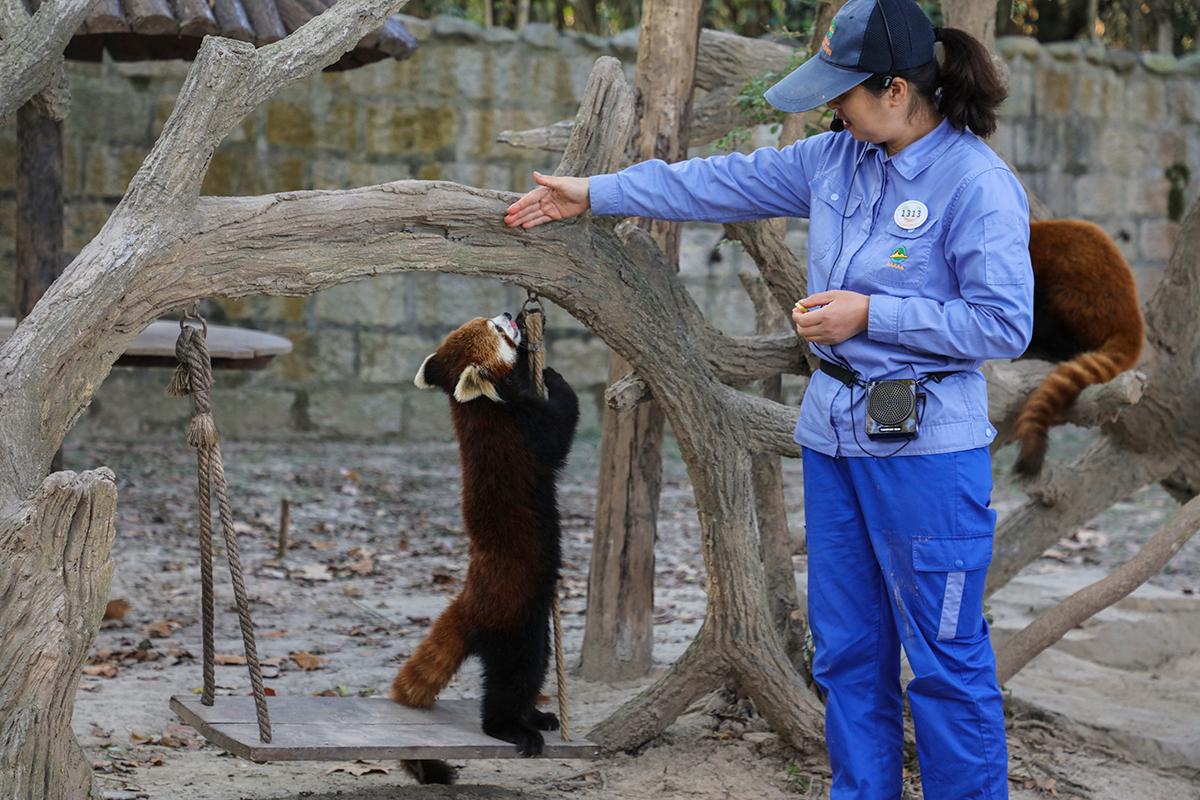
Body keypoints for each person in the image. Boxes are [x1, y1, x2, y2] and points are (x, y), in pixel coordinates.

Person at [504, 0, 1030, 796]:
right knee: (849, 655)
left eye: (842, 93)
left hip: (926, 452)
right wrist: (596, 191)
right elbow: (721, 182)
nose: (829, 108)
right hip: (836, 437)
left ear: (896, 90)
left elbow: (1004, 322)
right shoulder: (835, 159)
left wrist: (871, 313)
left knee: (947, 659)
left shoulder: (976, 184)